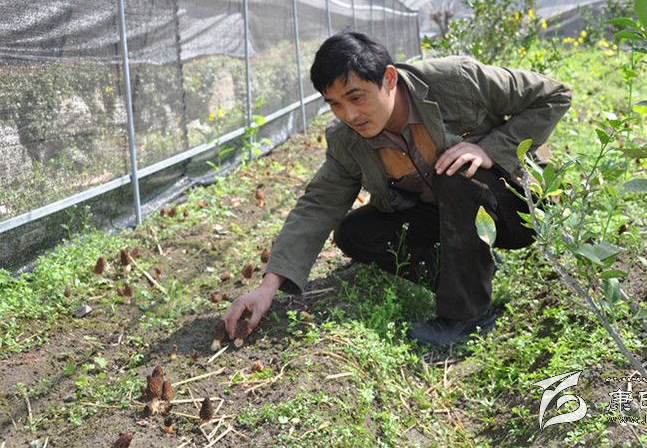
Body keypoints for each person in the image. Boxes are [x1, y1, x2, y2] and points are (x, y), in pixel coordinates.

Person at [221, 32, 571, 346]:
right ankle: (471, 274)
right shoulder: (347, 140)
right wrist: (267, 288)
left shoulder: (455, 80)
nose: (350, 114)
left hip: (515, 208)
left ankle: (468, 317)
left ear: (389, 78)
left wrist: (491, 150)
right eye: (335, 104)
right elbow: (319, 204)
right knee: (354, 232)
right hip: (448, 216)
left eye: (356, 97)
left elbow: (554, 95)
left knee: (456, 172)